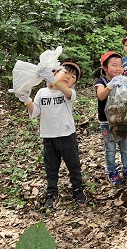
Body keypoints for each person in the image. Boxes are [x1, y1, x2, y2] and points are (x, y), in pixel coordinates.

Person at [15, 61, 86, 209]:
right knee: (51, 167)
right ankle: (52, 192)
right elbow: (35, 113)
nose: (69, 77)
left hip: (67, 135)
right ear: (55, 72)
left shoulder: (68, 93)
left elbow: (68, 93)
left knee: (73, 164)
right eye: (65, 72)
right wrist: (27, 100)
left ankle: (77, 189)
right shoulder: (42, 93)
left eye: (73, 77)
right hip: (48, 136)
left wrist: (53, 80)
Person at [95, 51, 127, 186]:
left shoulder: (124, 79)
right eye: (114, 65)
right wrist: (110, 85)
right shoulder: (101, 81)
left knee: (126, 147)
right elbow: (101, 96)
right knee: (110, 148)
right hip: (107, 122)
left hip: (122, 120)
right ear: (105, 68)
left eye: (120, 65)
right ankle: (112, 172)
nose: (118, 68)